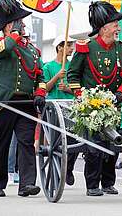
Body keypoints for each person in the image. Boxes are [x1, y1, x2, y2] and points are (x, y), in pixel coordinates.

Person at [67, 1, 122, 196]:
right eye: (115, 24)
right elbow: (72, 76)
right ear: (104, 27)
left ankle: (108, 182)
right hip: (90, 107)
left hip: (114, 104)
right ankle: (92, 185)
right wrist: (82, 97)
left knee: (113, 145)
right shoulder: (85, 48)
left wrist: (121, 92)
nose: (118, 27)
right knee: (94, 147)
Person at [0, 0, 46, 198]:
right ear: (8, 26)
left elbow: (40, 76)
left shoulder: (33, 51)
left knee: (26, 142)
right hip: (4, 102)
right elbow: (7, 46)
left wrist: (40, 93)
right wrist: (14, 33)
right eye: (18, 23)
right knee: (1, 142)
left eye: (22, 24)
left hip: (26, 102)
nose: (23, 27)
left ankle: (27, 183)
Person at [43, 34, 78, 185]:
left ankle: (68, 168)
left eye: (72, 45)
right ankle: (56, 173)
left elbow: (79, 89)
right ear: (60, 47)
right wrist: (57, 77)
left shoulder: (74, 66)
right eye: (69, 45)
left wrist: (68, 89)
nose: (72, 48)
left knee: (75, 140)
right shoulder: (48, 67)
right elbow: (45, 88)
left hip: (71, 107)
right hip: (53, 108)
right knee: (56, 142)